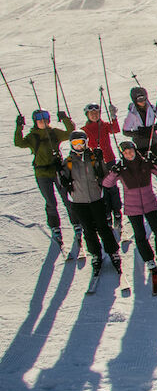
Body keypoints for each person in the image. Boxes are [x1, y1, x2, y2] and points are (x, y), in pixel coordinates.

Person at [58, 129, 121, 274]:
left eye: (81, 143)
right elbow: (64, 182)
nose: (79, 146)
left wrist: (100, 160)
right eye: (75, 143)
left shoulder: (92, 158)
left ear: (86, 143)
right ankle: (95, 254)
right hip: (79, 202)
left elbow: (105, 176)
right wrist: (59, 170)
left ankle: (112, 251)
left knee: (103, 227)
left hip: (96, 199)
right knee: (88, 230)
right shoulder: (68, 162)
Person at [102, 139, 157, 272]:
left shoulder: (145, 162)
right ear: (122, 154)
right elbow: (107, 184)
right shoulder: (121, 168)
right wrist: (114, 172)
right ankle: (148, 258)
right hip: (133, 208)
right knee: (140, 235)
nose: (129, 154)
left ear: (135, 150)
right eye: (126, 153)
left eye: (131, 151)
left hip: (150, 203)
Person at [14, 109, 76, 244]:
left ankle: (76, 222)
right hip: (42, 174)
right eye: (40, 120)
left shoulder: (54, 132)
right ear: (36, 122)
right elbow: (18, 142)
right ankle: (55, 226)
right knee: (51, 201)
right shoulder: (33, 136)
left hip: (57, 172)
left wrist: (65, 119)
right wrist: (19, 127)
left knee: (67, 197)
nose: (43, 122)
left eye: (45, 120)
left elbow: (71, 133)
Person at [121, 86, 157, 207]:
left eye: (143, 98)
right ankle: (145, 196)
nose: (142, 101)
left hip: (153, 143)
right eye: (139, 99)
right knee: (143, 171)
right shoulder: (132, 113)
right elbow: (125, 131)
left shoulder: (152, 107)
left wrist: (155, 127)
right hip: (140, 146)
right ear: (134, 100)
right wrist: (138, 133)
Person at [81, 101, 123, 231]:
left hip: (109, 160)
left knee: (113, 188)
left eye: (96, 113)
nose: (94, 115)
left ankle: (117, 212)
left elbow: (115, 129)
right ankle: (107, 213)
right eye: (91, 113)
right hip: (95, 163)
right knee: (101, 189)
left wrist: (114, 116)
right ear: (87, 115)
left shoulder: (104, 125)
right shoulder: (84, 130)